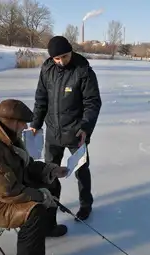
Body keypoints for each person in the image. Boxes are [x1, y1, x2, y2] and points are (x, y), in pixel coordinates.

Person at [0, 99, 69, 255]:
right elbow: (8, 192)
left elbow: (26, 166)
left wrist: (51, 170)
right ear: (12, 122)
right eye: (23, 123)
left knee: (52, 184)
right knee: (35, 211)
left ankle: (48, 227)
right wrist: (41, 195)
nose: (25, 127)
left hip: (11, 187)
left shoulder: (9, 137)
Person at [30, 36, 102, 221]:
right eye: (57, 58)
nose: (61, 61)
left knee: (81, 170)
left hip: (76, 132)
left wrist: (85, 127)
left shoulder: (83, 71)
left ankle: (86, 204)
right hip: (53, 132)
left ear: (71, 51)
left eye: (65, 56)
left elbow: (92, 103)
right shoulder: (47, 70)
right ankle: (50, 207)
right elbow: (41, 99)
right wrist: (36, 124)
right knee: (48, 173)